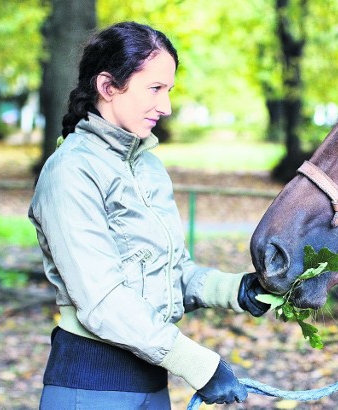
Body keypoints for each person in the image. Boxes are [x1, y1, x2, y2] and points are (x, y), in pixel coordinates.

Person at [28, 22, 269, 409]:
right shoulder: (70, 171)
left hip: (152, 386)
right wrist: (200, 366)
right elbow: (101, 300)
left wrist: (236, 290)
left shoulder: (148, 168)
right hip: (90, 387)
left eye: (169, 90)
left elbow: (170, 273)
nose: (166, 106)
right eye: (155, 89)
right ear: (107, 87)